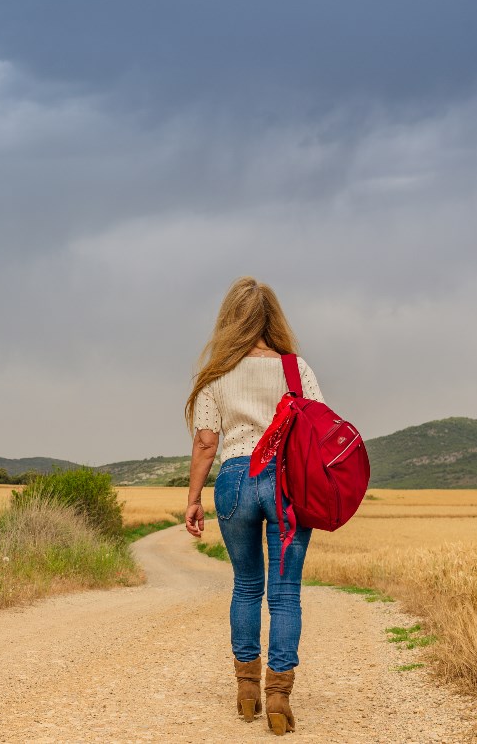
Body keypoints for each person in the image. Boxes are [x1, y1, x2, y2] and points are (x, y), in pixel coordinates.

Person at [183, 276, 324, 736]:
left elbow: (207, 443)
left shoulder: (217, 374)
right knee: (285, 594)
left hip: (235, 481)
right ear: (273, 319)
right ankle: (279, 696)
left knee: (246, 586)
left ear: (229, 321)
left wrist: (193, 499)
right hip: (285, 483)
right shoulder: (294, 368)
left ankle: (247, 691)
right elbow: (318, 429)